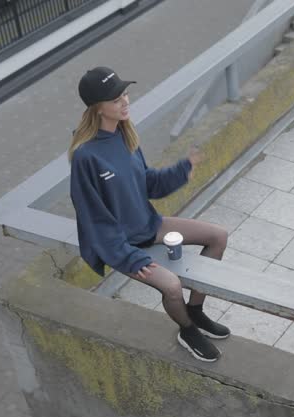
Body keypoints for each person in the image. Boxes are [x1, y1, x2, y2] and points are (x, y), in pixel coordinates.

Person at [68, 67, 230, 363]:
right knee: (171, 285)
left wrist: (182, 170)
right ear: (97, 108)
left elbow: (148, 184)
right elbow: (94, 219)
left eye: (125, 94)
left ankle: (195, 310)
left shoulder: (125, 135)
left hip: (148, 225)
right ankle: (187, 329)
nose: (125, 101)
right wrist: (129, 257)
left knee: (218, 236)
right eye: (116, 99)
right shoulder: (85, 157)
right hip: (120, 246)